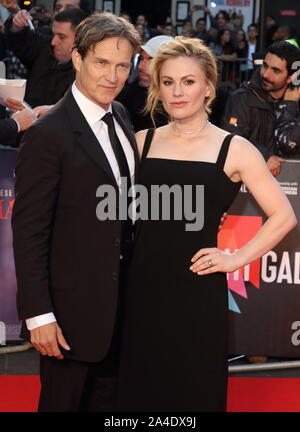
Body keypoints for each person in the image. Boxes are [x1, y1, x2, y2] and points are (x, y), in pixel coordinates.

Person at [116, 36, 296, 412]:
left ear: (208, 87)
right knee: (139, 394)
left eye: (188, 81)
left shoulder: (235, 148)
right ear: (157, 88)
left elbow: (284, 216)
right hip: (139, 290)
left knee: (193, 391)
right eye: (168, 82)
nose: (177, 92)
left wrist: (236, 258)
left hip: (197, 292)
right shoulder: (140, 142)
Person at [11, 12, 140, 412]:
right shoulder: (49, 136)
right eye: (102, 62)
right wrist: (39, 316)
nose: (113, 76)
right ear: (79, 59)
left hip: (120, 309)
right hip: (67, 317)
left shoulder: (120, 116)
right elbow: (29, 231)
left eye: (123, 65)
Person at [221, 41, 300, 176]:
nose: (265, 74)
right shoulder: (241, 98)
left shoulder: (294, 103)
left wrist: (289, 106)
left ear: (290, 77)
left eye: (275, 70)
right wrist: (264, 156)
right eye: (265, 65)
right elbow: (230, 138)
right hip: (246, 186)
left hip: (291, 185)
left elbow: (291, 144)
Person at [4, 8, 87, 108]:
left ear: (81, 39)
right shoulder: (44, 47)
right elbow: (19, 41)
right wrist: (17, 26)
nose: (54, 42)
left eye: (61, 37)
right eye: (53, 34)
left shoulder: (87, 73)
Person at [117, 35, 173, 131]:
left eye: (150, 60)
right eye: (141, 59)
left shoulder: (189, 103)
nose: (140, 67)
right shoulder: (127, 98)